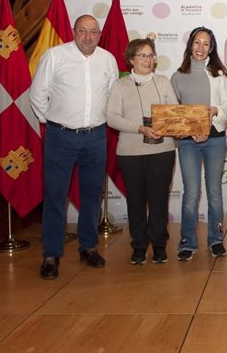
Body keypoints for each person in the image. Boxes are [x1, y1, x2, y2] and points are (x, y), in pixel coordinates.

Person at [30, 14, 118, 280]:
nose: (88, 36)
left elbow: (112, 95)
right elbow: (37, 95)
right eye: (82, 31)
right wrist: (57, 122)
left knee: (92, 196)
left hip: (96, 137)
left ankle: (88, 247)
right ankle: (51, 254)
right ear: (73, 31)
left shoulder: (108, 60)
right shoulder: (55, 56)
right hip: (60, 137)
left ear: (99, 34)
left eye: (93, 31)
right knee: (56, 197)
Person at [106, 38, 178, 265]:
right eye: (142, 56)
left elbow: (175, 114)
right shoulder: (120, 85)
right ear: (130, 60)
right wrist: (139, 128)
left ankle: (159, 245)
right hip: (130, 152)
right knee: (136, 202)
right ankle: (138, 246)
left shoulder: (164, 82)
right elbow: (111, 117)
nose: (147, 60)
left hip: (163, 150)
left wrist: (179, 125)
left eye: (150, 55)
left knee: (159, 201)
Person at [171, 27, 227, 261]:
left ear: (211, 47)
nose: (201, 48)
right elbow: (173, 113)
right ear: (190, 45)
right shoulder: (178, 76)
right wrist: (187, 130)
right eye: (197, 43)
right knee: (190, 194)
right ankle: (188, 241)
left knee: (214, 192)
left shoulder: (219, 73)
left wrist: (215, 110)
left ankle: (216, 239)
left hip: (215, 140)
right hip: (188, 142)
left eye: (206, 44)